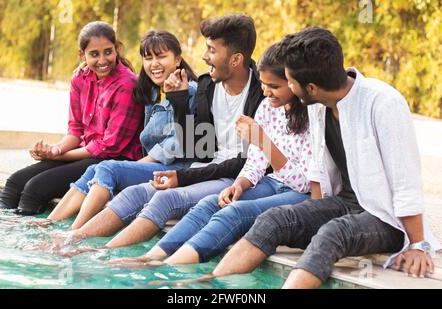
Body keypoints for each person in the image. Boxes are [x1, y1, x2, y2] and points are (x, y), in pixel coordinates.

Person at [189, 27, 441, 288]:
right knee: (274, 219)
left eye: (291, 82)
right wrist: (309, 214)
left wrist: (418, 244)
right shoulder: (319, 105)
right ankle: (209, 285)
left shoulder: (383, 103)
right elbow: (319, 170)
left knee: (332, 233)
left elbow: (405, 181)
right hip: (343, 202)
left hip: (385, 216)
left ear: (311, 87)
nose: (289, 89)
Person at [54, 13, 265, 253]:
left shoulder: (262, 94)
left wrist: (183, 177)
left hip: (231, 176)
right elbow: (199, 148)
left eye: (211, 50)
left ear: (236, 59)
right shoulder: (209, 86)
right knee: (134, 192)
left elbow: (251, 161)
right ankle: (76, 238)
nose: (204, 57)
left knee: (162, 196)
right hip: (202, 167)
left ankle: (101, 253)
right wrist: (179, 100)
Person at [108, 42, 313, 267]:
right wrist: (240, 185)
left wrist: (262, 140)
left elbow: (304, 184)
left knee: (235, 211)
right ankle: (152, 256)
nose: (265, 91)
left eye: (273, 86)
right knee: (210, 203)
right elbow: (253, 162)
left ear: (294, 83)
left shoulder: (312, 115)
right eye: (263, 85)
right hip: (268, 181)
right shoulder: (265, 106)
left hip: (298, 192)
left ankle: (170, 266)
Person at [32, 30, 198, 230]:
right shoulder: (153, 92)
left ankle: (73, 231)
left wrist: (132, 167)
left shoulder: (190, 92)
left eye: (161, 56)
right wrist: (86, 65)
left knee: (109, 168)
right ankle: (49, 223)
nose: (154, 64)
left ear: (177, 59)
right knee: (94, 169)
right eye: (148, 58)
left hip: (177, 170)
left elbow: (177, 145)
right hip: (153, 166)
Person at [0, 21, 143, 216]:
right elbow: (75, 130)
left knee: (35, 189)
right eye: (94, 54)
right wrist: (55, 149)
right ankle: (6, 234)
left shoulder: (127, 84)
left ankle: (30, 242)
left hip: (113, 159)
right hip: (86, 152)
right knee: (15, 181)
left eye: (108, 52)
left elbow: (108, 148)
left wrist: (58, 156)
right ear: (82, 55)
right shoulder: (80, 78)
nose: (103, 60)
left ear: (117, 49)